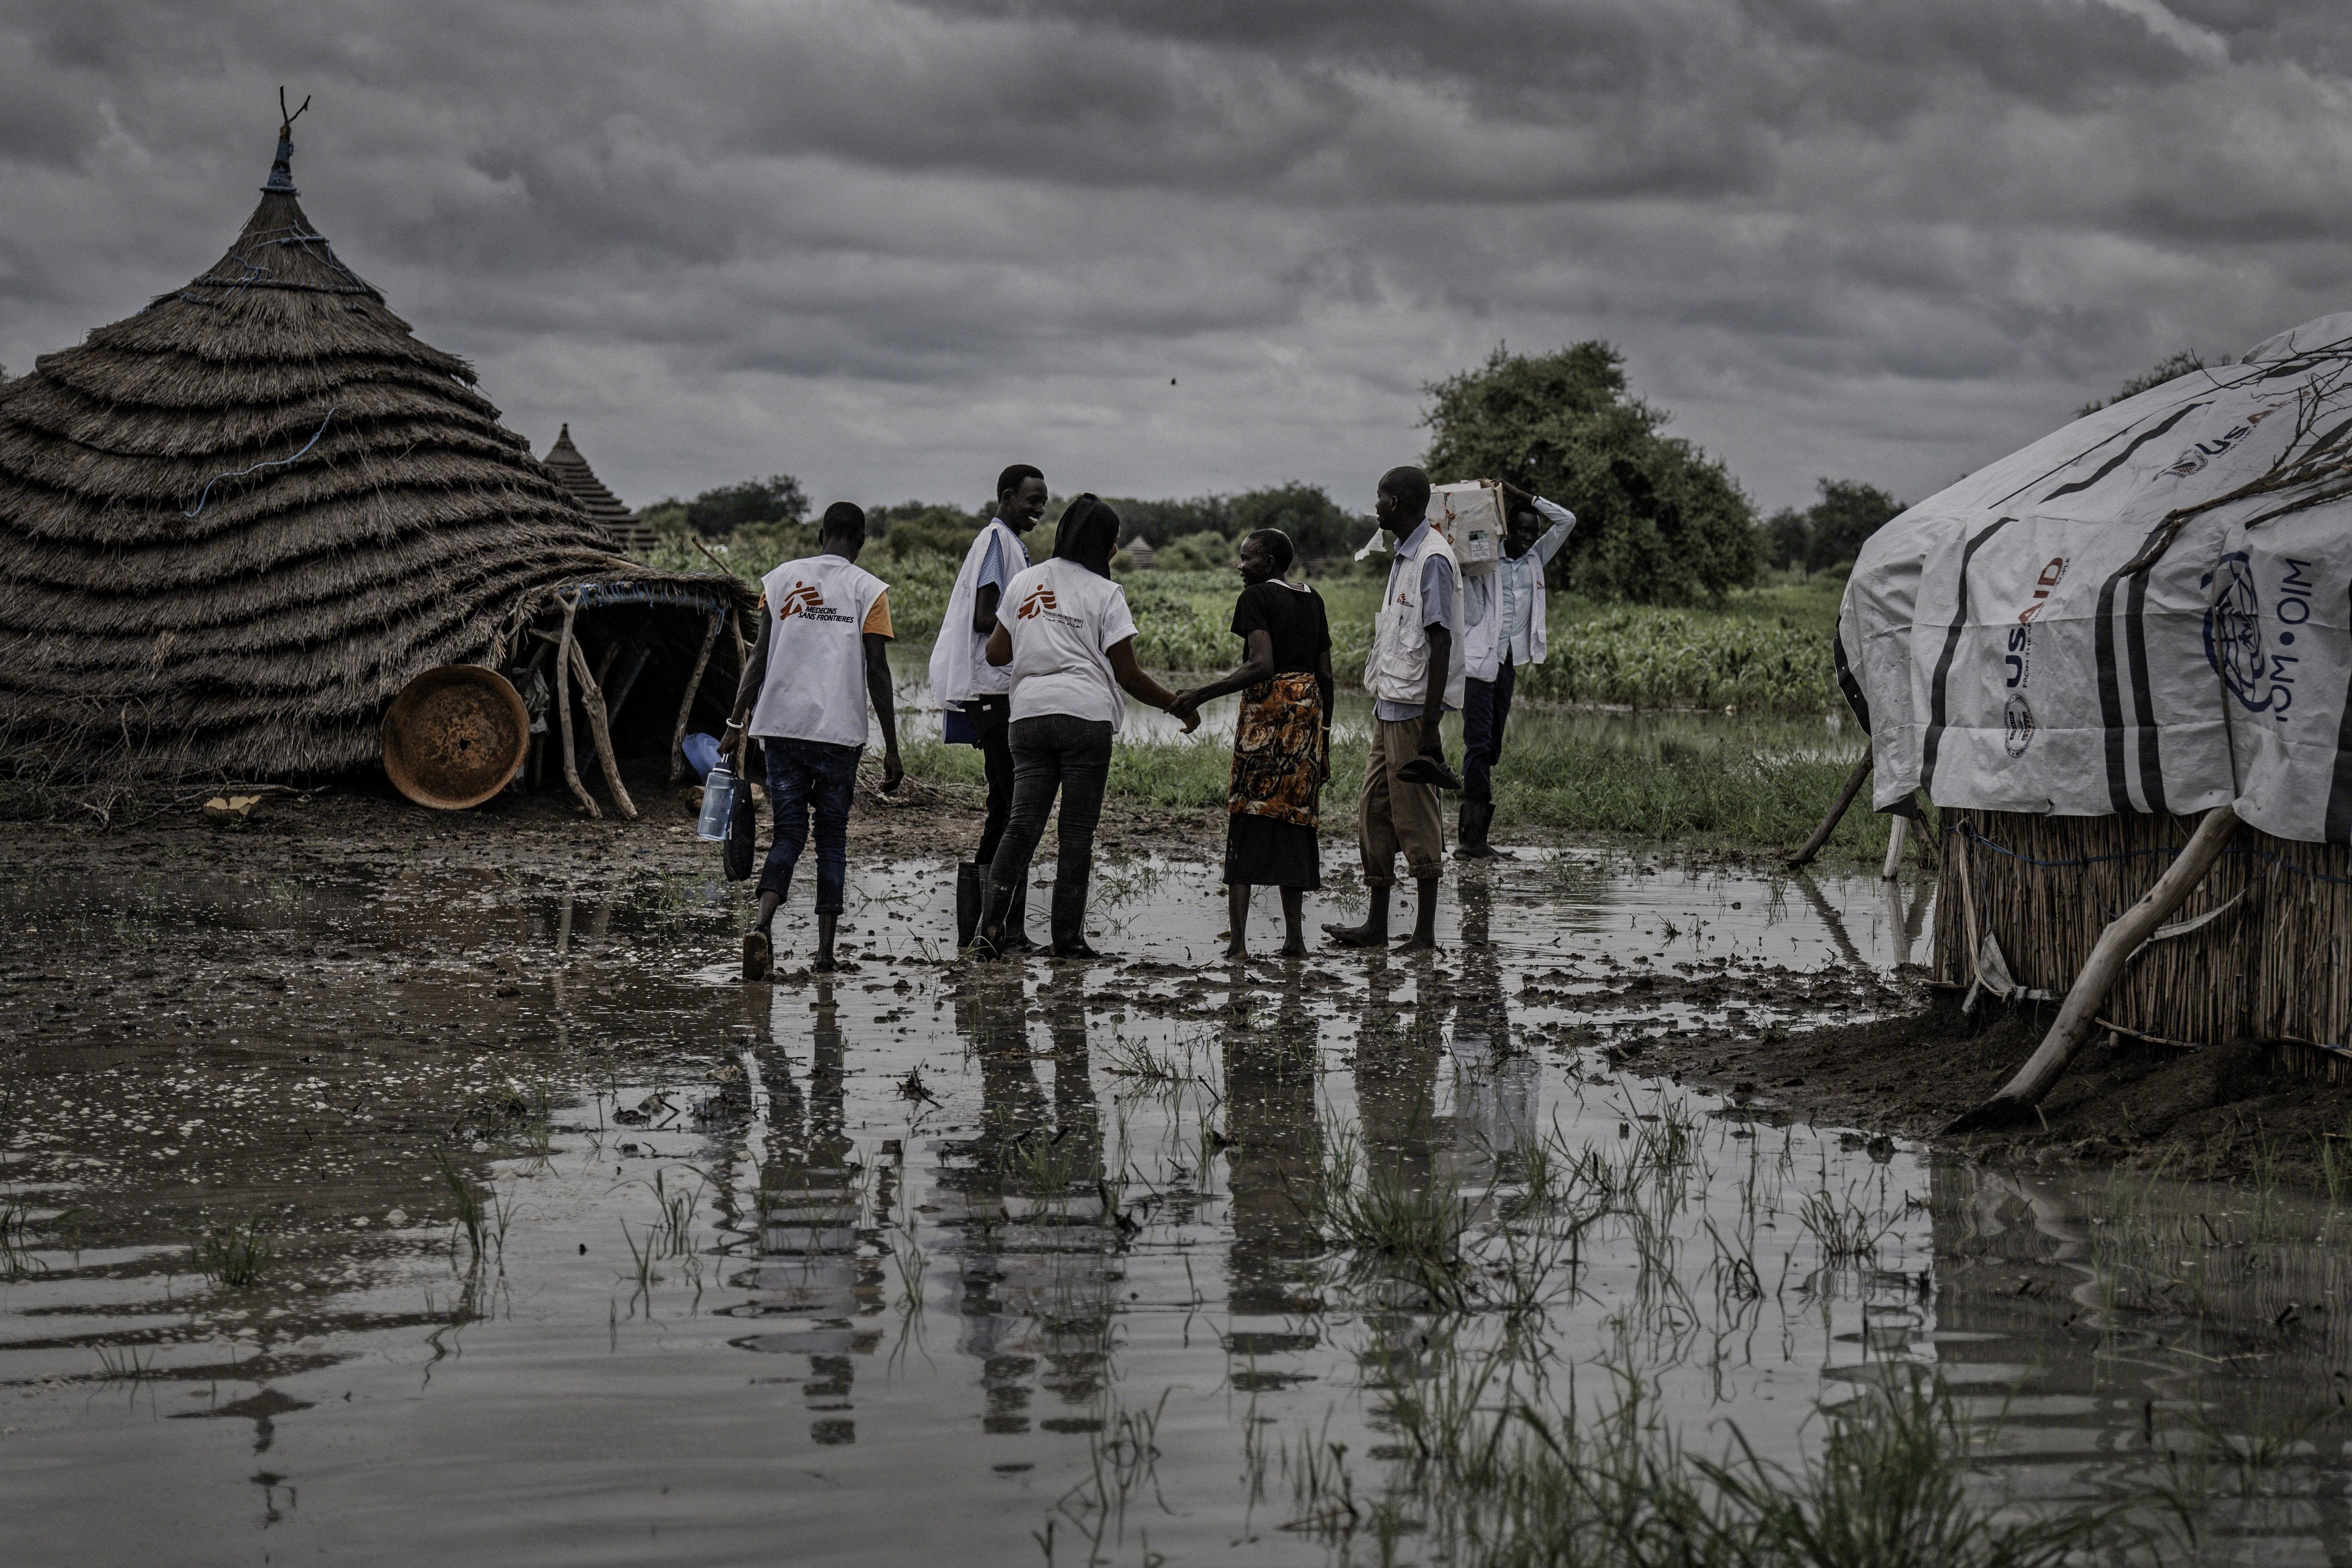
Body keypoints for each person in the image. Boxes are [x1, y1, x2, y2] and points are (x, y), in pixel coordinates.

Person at [975, 495, 1199, 960]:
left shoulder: (1024, 581)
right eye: (1114, 542)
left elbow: (996, 654)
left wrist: (1041, 641)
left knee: (1020, 827)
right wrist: (1177, 706)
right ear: (1105, 545)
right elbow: (1128, 674)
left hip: (1029, 718)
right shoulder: (1105, 593)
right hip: (1085, 720)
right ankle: (1068, 942)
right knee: (1076, 833)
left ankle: (988, 934)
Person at [730, 502, 903, 979]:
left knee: (788, 832)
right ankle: (825, 955)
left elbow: (758, 658)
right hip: (837, 736)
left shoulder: (779, 581)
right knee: (831, 840)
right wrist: (891, 746)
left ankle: (762, 926)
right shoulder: (870, 591)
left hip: (780, 730)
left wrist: (734, 721)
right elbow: (879, 672)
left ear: (820, 534)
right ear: (862, 540)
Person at [1170, 529, 1333, 959]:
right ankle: (1295, 942)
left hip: (1269, 717)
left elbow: (1261, 665)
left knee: (1248, 815)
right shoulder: (1312, 599)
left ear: (1270, 561)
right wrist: (1325, 741)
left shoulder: (1256, 597)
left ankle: (1238, 946)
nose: (1240, 566)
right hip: (1307, 720)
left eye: (1247, 558)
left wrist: (1199, 694)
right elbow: (1327, 676)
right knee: (1296, 821)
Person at [1324, 465, 1461, 954]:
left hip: (1411, 713)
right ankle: (1376, 927)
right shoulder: (1403, 557)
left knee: (1417, 819)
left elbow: (1440, 642)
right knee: (1374, 813)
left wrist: (1430, 727)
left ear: (1397, 504)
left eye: (1380, 499)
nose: (1376, 507)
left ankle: (1423, 935)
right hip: (1389, 706)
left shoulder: (1432, 560)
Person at [930, 464, 1050, 950]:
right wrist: (1038, 635)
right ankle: (998, 930)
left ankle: (982, 930)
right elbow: (986, 617)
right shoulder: (998, 542)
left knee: (1003, 807)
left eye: (1043, 500)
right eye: (1031, 500)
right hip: (993, 691)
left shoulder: (1005, 542)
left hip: (995, 691)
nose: (1039, 508)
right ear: (1005, 497)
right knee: (1012, 809)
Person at [1457, 481, 1576, 858]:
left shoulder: (1536, 559)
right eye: (1521, 530)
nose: (1527, 538)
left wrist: (1525, 497)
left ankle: (1473, 835)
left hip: (1508, 662)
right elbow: (1473, 612)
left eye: (1533, 532)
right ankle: (1471, 842)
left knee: (1491, 747)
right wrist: (1468, 575)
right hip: (1479, 663)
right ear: (1507, 529)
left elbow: (1567, 520)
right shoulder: (1485, 558)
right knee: (1477, 746)